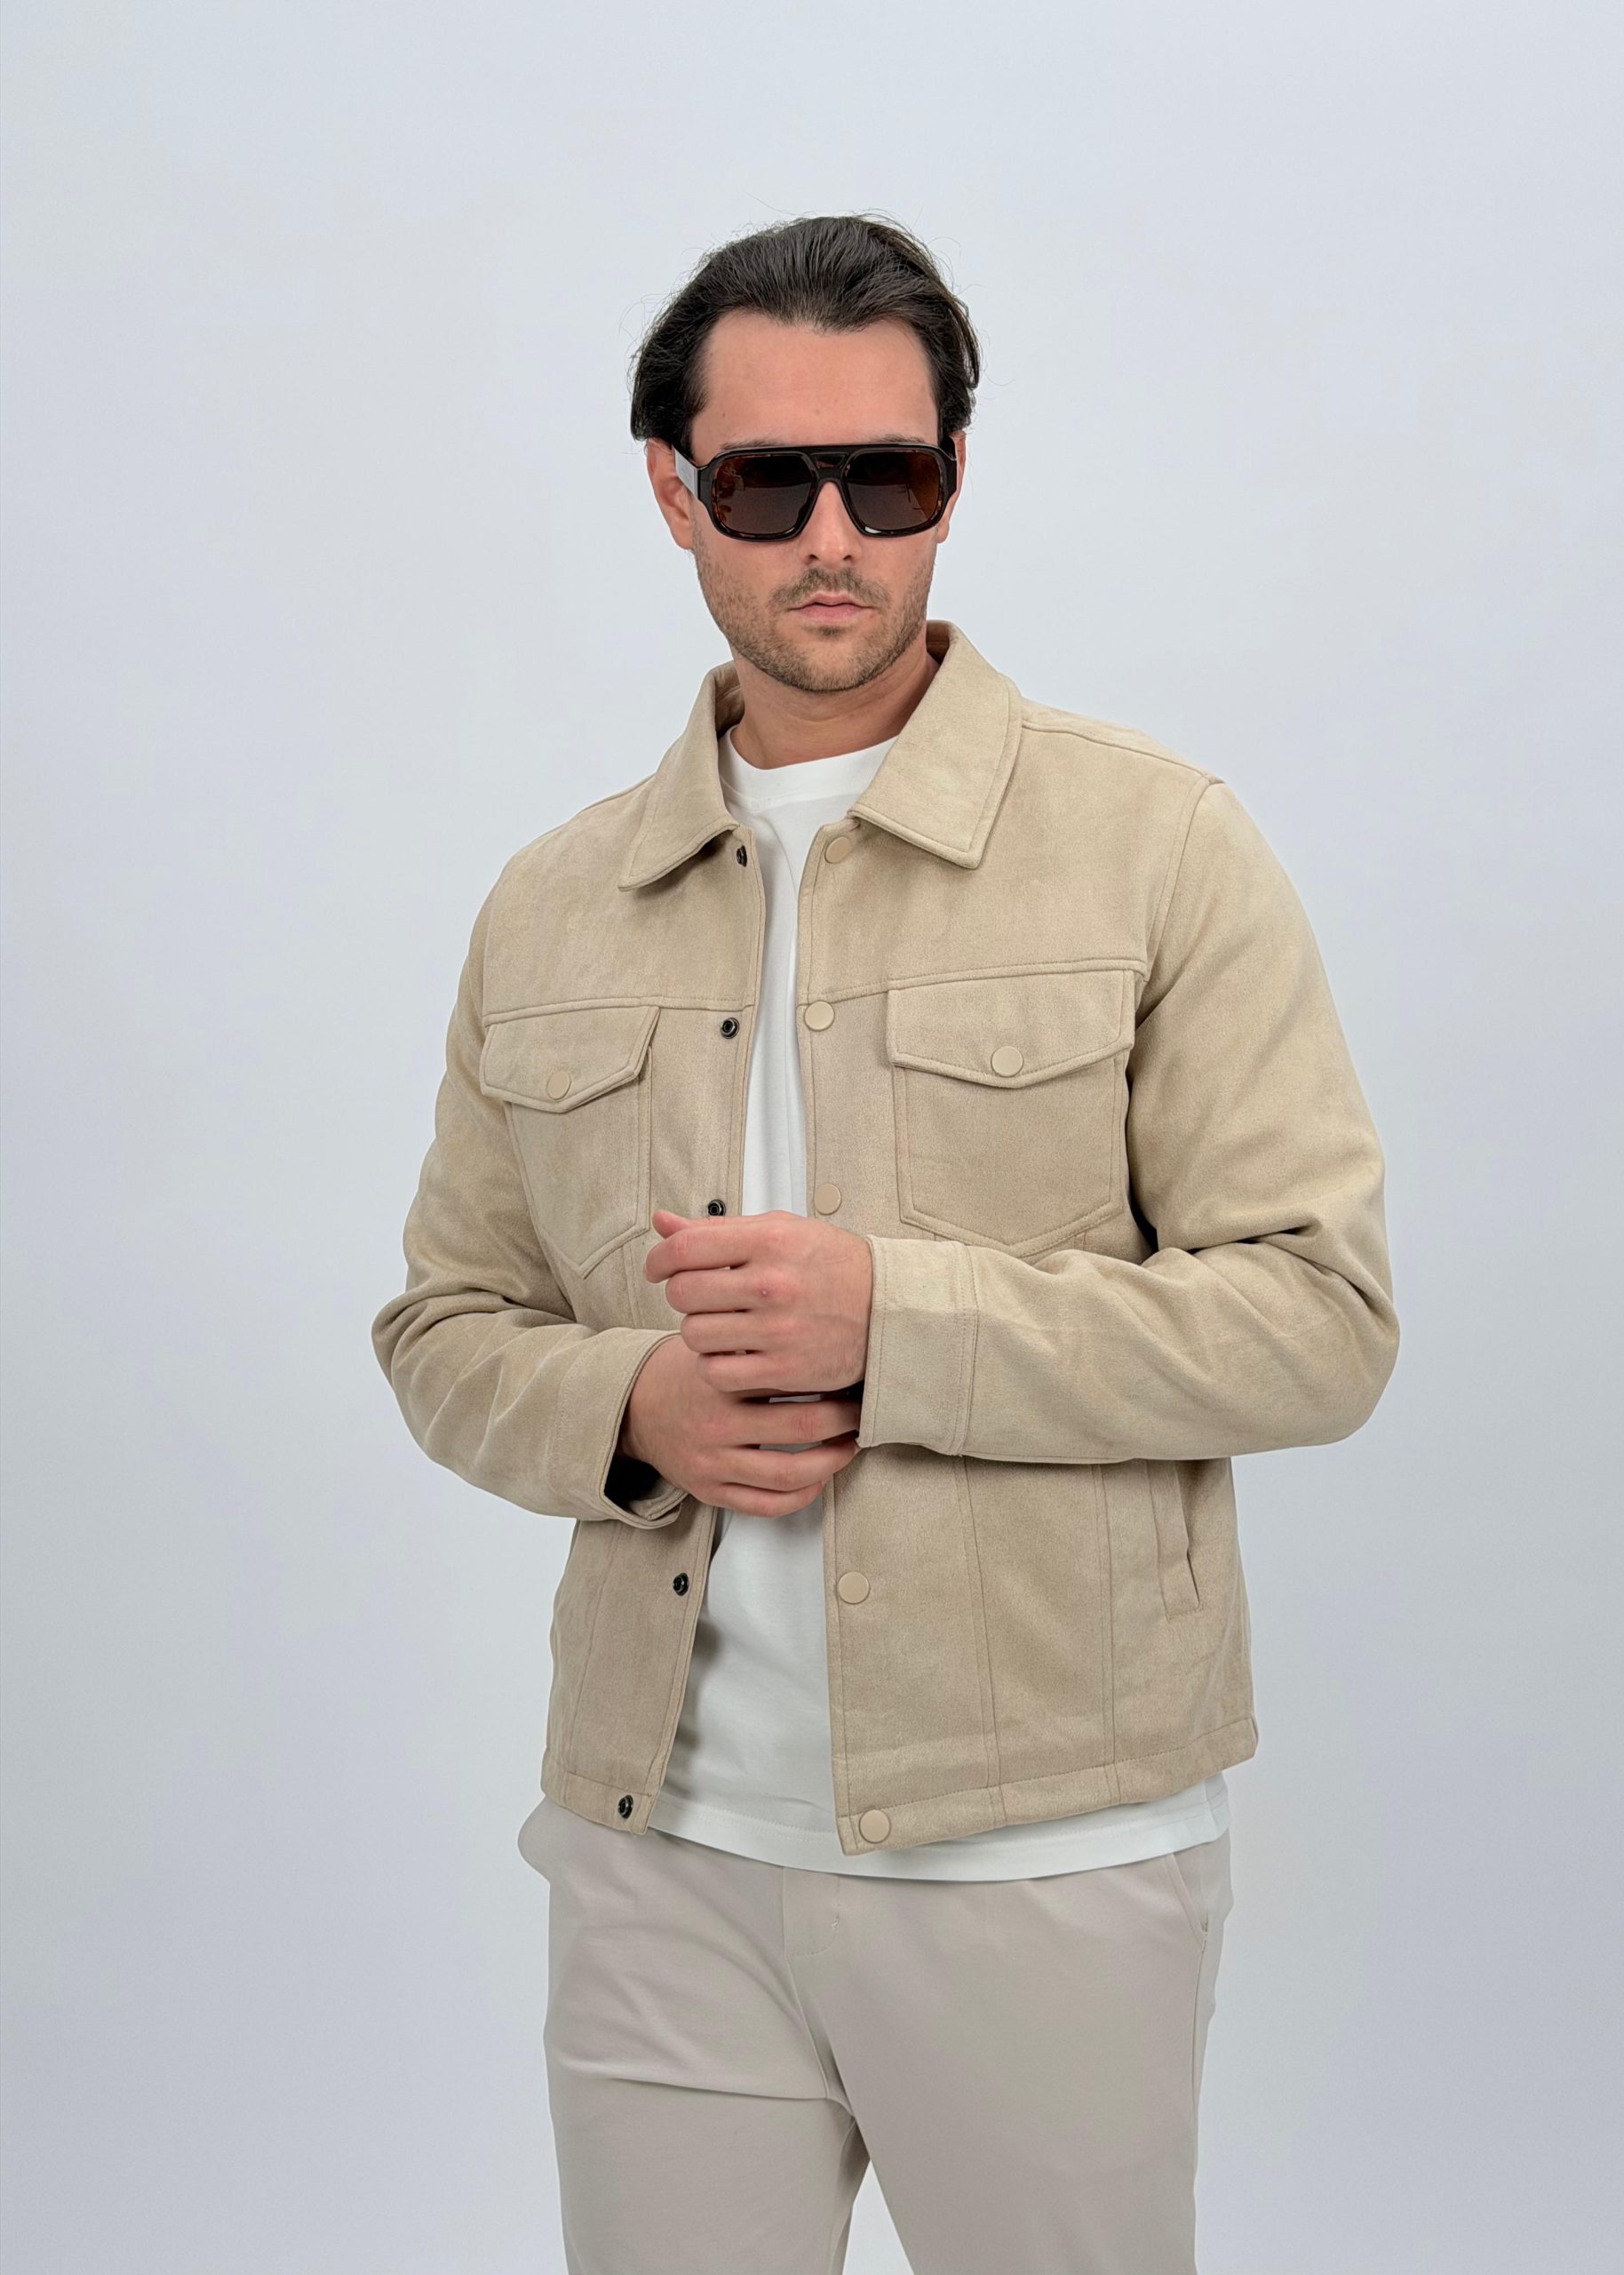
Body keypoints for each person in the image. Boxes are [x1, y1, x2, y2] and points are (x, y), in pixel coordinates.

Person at [371, 211, 1399, 2275]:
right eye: (769, 482)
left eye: (890, 477)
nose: (833, 536)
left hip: (1044, 1847)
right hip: (656, 1849)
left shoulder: (1156, 844)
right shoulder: (552, 904)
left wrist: (892, 1322)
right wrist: (635, 1405)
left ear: (955, 479)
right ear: (674, 489)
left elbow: (1318, 1318)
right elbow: (443, 1323)